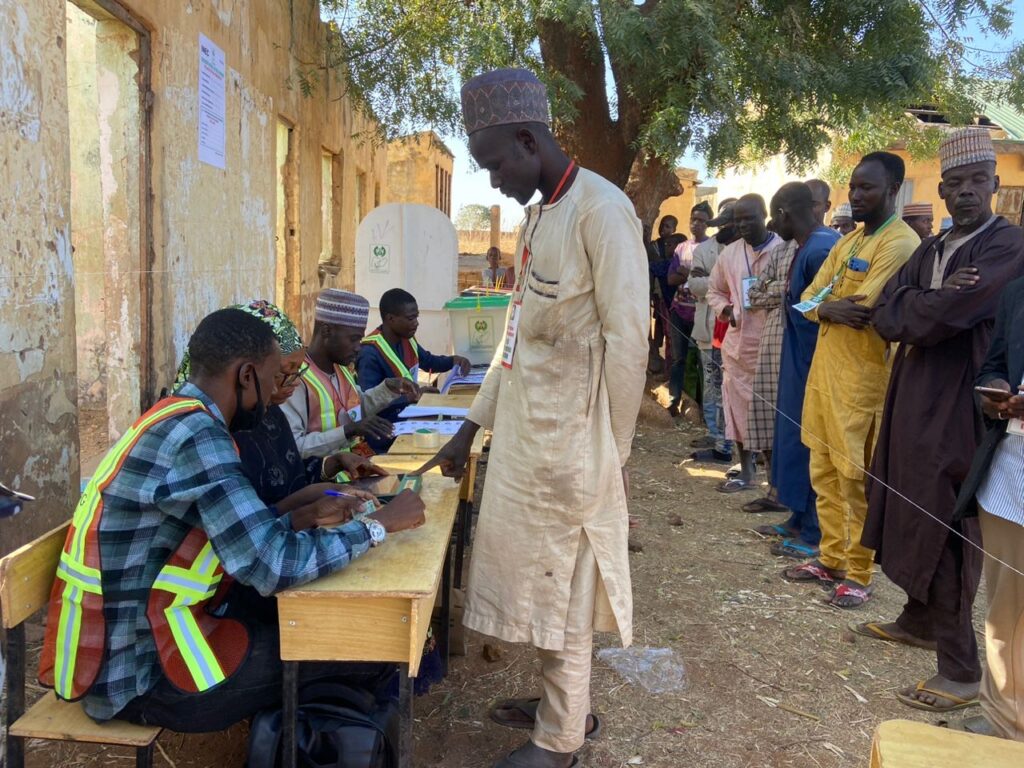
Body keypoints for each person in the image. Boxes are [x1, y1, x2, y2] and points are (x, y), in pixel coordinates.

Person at [37, 308, 426, 731]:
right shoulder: (197, 437)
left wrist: (296, 516)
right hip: (141, 675)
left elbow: (239, 540)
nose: (281, 391)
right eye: (276, 376)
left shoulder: (176, 416)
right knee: (369, 647)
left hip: (133, 648)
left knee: (329, 637)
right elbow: (270, 564)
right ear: (246, 375)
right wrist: (379, 525)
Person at [424, 68, 648, 768]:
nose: (491, 182)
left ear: (528, 139)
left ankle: (559, 740)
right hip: (527, 440)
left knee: (568, 584)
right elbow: (514, 340)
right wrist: (469, 431)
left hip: (576, 442)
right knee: (537, 579)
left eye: (494, 164)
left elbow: (628, 340)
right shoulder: (538, 216)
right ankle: (564, 703)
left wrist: (612, 447)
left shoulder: (601, 210)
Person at [860, 128, 1024, 712]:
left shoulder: (1007, 246)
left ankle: (960, 670)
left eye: (977, 181)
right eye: (954, 183)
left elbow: (939, 319)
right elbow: (884, 311)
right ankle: (918, 618)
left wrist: (919, 308)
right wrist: (924, 306)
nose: (965, 193)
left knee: (946, 519)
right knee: (905, 501)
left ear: (995, 184)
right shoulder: (933, 249)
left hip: (963, 398)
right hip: (913, 393)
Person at [781, 152, 919, 608]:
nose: (856, 196)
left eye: (868, 188)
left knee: (853, 476)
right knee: (822, 467)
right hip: (825, 372)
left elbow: (864, 307)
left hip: (862, 379)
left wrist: (827, 305)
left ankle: (858, 573)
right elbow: (807, 296)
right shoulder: (848, 241)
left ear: (893, 189)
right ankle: (830, 557)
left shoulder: (899, 243)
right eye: (853, 187)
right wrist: (826, 307)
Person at [175, 299, 386, 505]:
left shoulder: (268, 414)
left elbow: (291, 478)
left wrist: (334, 463)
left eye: (297, 372)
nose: (282, 387)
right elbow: (258, 532)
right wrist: (372, 527)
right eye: (280, 374)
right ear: (246, 374)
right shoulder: (207, 434)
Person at [953, 275, 1024, 741]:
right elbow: (993, 364)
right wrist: (995, 392)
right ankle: (1006, 721)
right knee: (1007, 608)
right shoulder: (1017, 292)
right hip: (1012, 474)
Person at [755, 182, 841, 558]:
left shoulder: (821, 248)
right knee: (792, 438)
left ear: (786, 213)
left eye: (776, 216)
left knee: (811, 444)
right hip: (797, 359)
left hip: (814, 362)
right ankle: (797, 516)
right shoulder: (803, 246)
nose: (775, 224)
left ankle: (815, 531)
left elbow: (825, 309)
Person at [283, 289, 419, 459]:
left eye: (360, 340)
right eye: (353, 339)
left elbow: (355, 409)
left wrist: (388, 389)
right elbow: (296, 447)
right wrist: (348, 431)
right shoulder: (295, 379)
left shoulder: (341, 368)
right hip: (323, 480)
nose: (358, 347)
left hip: (355, 467)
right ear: (326, 331)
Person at [707, 194, 783, 492]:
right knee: (738, 411)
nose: (743, 224)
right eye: (738, 219)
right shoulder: (729, 254)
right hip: (738, 347)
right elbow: (714, 290)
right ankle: (748, 475)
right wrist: (727, 311)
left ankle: (775, 482)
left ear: (765, 215)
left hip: (773, 347)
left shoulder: (783, 248)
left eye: (749, 218)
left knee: (769, 414)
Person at [358, 287, 470, 448]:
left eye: (416, 317)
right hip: (384, 431)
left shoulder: (407, 339)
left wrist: (454, 360)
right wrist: (412, 397)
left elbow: (429, 361)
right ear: (390, 319)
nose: (416, 323)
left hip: (408, 417)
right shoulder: (370, 353)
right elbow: (367, 404)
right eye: (410, 318)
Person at [742, 211, 798, 513]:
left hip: (802, 344)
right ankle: (774, 489)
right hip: (772, 339)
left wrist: (780, 290)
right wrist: (783, 290)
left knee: (796, 423)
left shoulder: (825, 247)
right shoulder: (781, 251)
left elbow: (806, 292)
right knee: (766, 414)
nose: (778, 220)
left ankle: (794, 495)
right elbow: (753, 294)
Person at [688, 199, 739, 463]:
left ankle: (732, 441)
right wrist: (723, 282)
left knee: (736, 388)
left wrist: (718, 283)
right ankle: (717, 435)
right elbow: (694, 284)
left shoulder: (747, 248)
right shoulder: (706, 249)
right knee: (712, 385)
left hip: (740, 332)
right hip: (710, 328)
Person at [665, 202, 712, 416]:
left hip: (702, 312)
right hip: (679, 311)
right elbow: (671, 278)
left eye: (701, 220)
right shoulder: (681, 248)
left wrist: (688, 274)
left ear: (708, 223)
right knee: (678, 358)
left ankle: (703, 406)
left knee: (704, 361)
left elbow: (711, 281)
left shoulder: (713, 248)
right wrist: (690, 275)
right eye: (694, 219)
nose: (696, 224)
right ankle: (674, 401)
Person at [647, 215, 684, 376]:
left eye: (669, 226)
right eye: (663, 226)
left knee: (671, 333)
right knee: (662, 328)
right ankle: (659, 359)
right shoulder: (654, 246)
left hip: (675, 300)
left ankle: (670, 370)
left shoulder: (677, 259)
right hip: (660, 295)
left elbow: (655, 268)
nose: (664, 229)